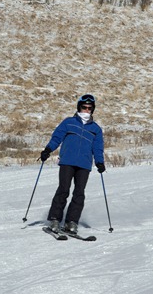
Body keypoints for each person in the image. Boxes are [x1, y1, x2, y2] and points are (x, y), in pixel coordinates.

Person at [40, 94, 105, 235]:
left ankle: (72, 222)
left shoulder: (96, 129)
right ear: (79, 107)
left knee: (79, 193)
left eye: (89, 108)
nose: (86, 111)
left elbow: (98, 148)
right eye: (84, 107)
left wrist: (100, 162)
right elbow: (57, 137)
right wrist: (48, 149)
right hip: (67, 162)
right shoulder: (69, 122)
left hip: (84, 164)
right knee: (63, 190)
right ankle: (54, 219)